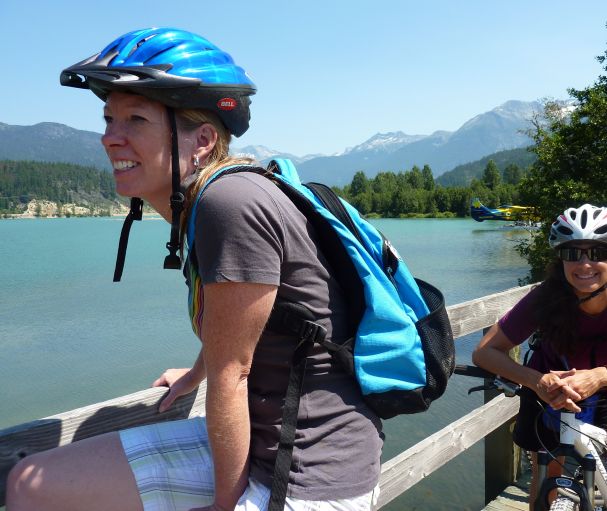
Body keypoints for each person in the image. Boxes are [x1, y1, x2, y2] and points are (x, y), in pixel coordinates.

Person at [6, 27, 383, 511]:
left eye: (135, 119)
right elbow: (245, 334)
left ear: (202, 140)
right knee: (29, 482)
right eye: (108, 118)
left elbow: (236, 372)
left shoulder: (231, 203)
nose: (108, 138)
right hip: (269, 442)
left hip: (310, 473)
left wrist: (225, 506)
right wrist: (196, 372)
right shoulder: (213, 199)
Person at [472, 204, 607, 511]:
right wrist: (536, 381)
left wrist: (600, 376)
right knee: (547, 487)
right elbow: (485, 351)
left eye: (597, 252)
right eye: (573, 253)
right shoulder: (547, 296)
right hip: (553, 398)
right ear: (560, 260)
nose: (585, 264)